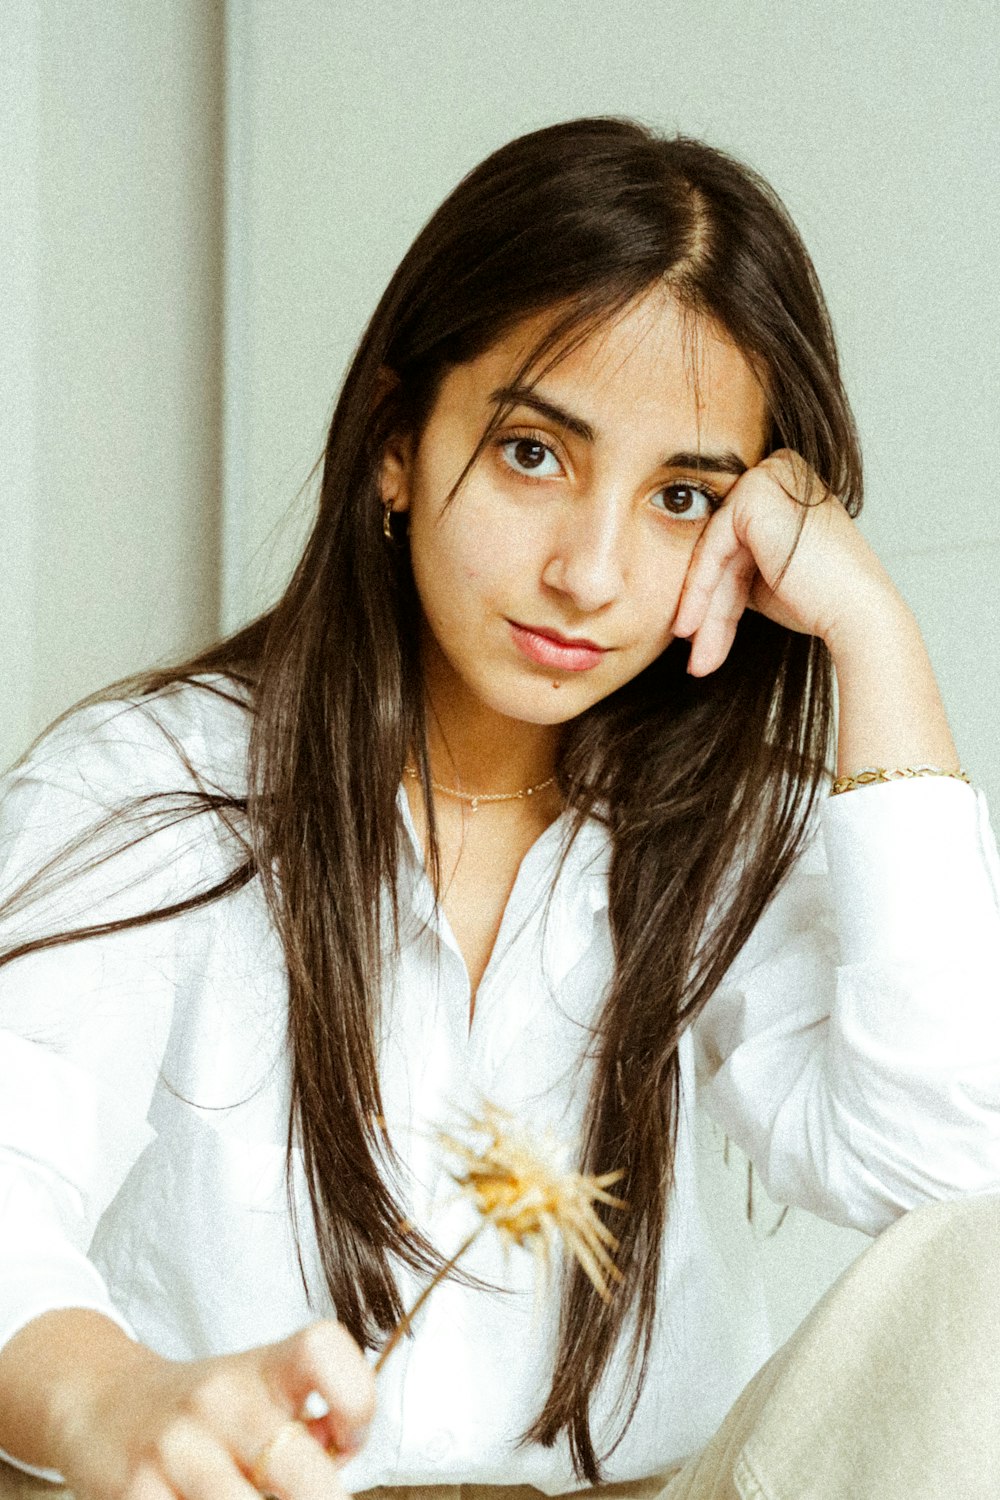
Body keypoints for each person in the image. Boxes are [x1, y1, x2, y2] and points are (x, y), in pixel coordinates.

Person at [0, 116, 998, 1500]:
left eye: (683, 496)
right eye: (536, 453)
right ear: (399, 442)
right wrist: (112, 1400)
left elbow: (945, 1194)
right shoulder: (162, 791)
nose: (592, 571)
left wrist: (877, 642)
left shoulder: (718, 838)